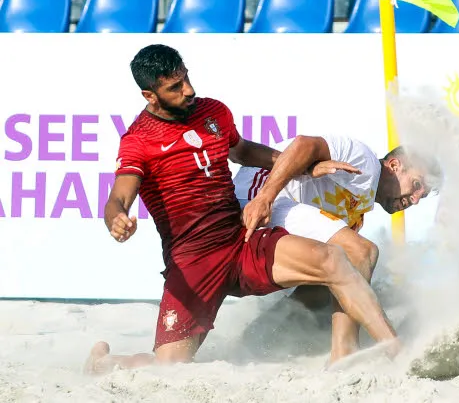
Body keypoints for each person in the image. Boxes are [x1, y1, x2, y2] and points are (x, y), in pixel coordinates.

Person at [83, 44, 400, 375]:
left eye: (187, 78)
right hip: (194, 263)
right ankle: (104, 364)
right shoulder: (138, 140)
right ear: (150, 95)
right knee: (169, 366)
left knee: (335, 258)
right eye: (175, 87)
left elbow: (244, 151)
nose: (188, 90)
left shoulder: (213, 111)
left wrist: (305, 167)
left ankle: (395, 353)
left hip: (239, 238)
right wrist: (116, 219)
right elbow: (119, 196)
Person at [234, 135, 441, 364]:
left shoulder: (359, 207)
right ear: (394, 165)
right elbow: (304, 144)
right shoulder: (366, 164)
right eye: (416, 185)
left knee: (335, 282)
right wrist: (265, 198)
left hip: (273, 208)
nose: (416, 199)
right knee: (361, 252)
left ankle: (260, 336)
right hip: (258, 195)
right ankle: (347, 354)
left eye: (423, 194)